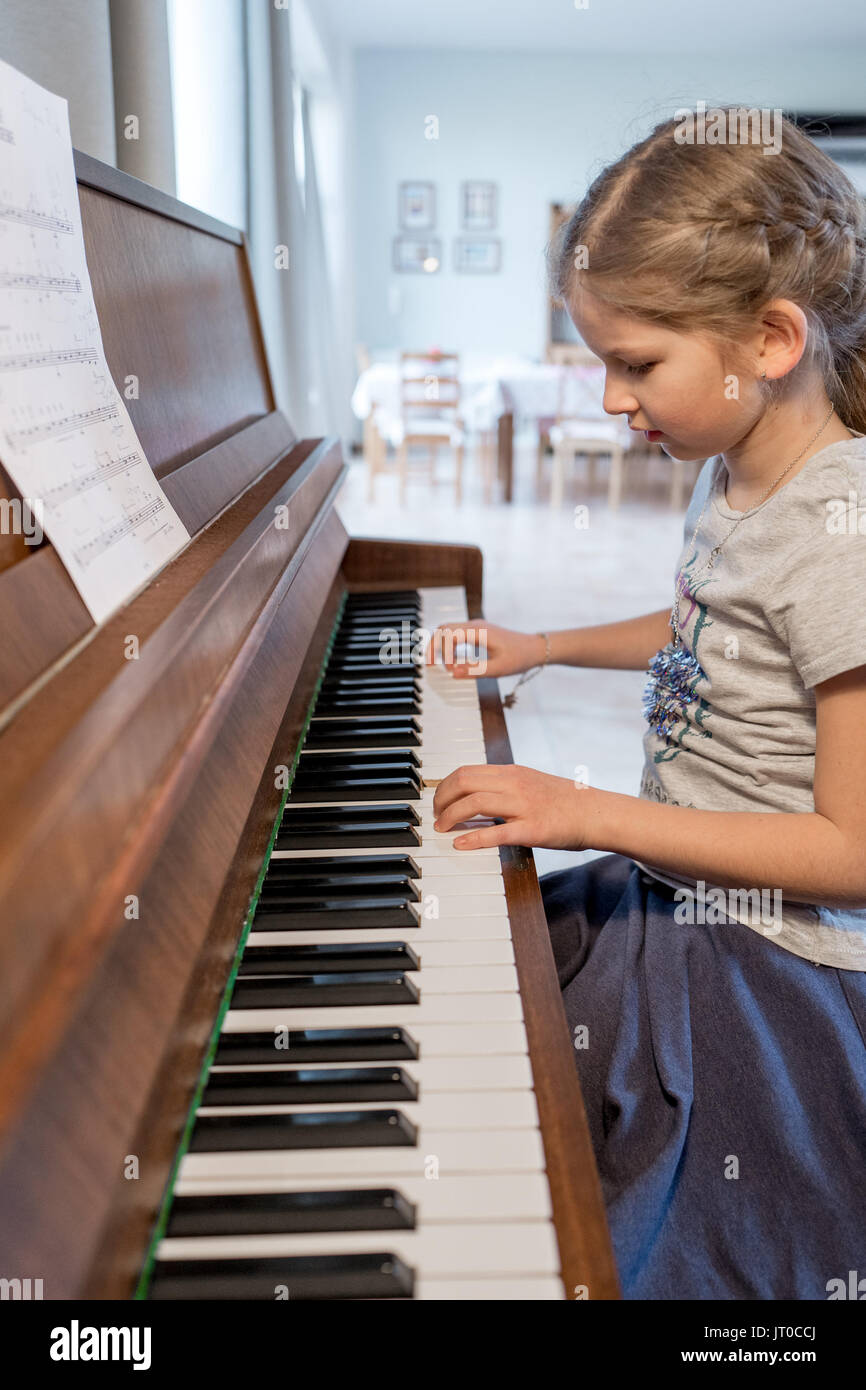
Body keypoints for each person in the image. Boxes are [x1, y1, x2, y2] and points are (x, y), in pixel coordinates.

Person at [426, 108, 866, 1300]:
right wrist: (550, 643)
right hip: (679, 889)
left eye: (635, 364)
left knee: (639, 1254)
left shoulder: (840, 536)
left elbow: (848, 853)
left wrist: (587, 809)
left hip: (771, 963)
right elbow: (704, 634)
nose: (614, 402)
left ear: (768, 339)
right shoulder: (736, 473)